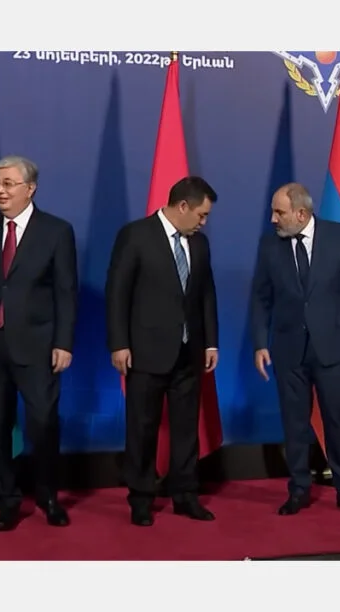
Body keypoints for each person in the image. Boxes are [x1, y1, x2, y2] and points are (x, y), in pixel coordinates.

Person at [0, 155, 78, 531]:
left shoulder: (56, 231)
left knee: (43, 425)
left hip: (38, 347)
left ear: (30, 188)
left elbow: (66, 292)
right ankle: (5, 500)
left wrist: (63, 343)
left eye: (8, 184)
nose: (0, 191)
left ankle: (48, 497)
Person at [106, 176, 220, 526]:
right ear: (182, 206)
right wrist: (119, 344)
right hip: (145, 352)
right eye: (201, 215)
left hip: (189, 353)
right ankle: (141, 498)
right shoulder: (135, 235)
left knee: (186, 428)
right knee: (142, 428)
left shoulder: (200, 244)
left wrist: (210, 341)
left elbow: (206, 294)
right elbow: (117, 293)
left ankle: (185, 495)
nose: (204, 222)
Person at [250, 183, 340, 517]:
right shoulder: (269, 246)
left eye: (279, 212)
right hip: (288, 350)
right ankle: (299, 489)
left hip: (333, 349)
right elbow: (260, 298)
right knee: (294, 424)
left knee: (337, 422)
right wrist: (260, 343)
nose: (273, 219)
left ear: (301, 214)